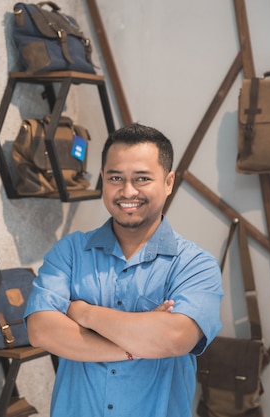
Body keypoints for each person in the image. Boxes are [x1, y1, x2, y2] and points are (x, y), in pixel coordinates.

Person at [24, 123, 223, 417]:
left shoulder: (195, 264)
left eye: (142, 178)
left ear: (168, 182)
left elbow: (176, 338)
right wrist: (135, 345)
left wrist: (84, 313)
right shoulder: (70, 252)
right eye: (116, 177)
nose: (127, 191)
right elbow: (41, 330)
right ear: (103, 179)